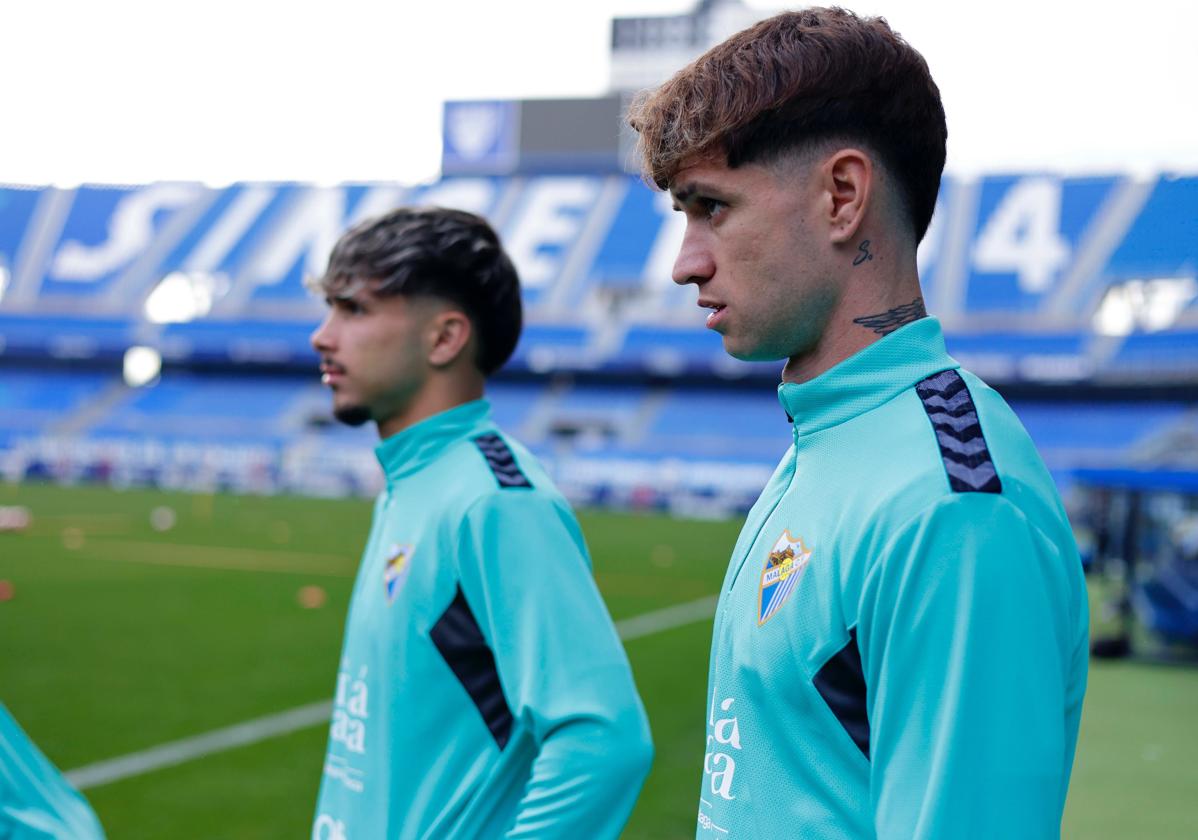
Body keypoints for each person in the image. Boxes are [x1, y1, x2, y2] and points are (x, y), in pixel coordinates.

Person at [627, 8, 1088, 839]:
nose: (685, 263)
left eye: (713, 209)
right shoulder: (831, 435)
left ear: (842, 196)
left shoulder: (952, 506)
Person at [307, 207, 652, 839]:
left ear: (444, 338)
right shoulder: (415, 481)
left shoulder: (494, 501)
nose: (322, 336)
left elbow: (603, 739)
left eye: (353, 310)